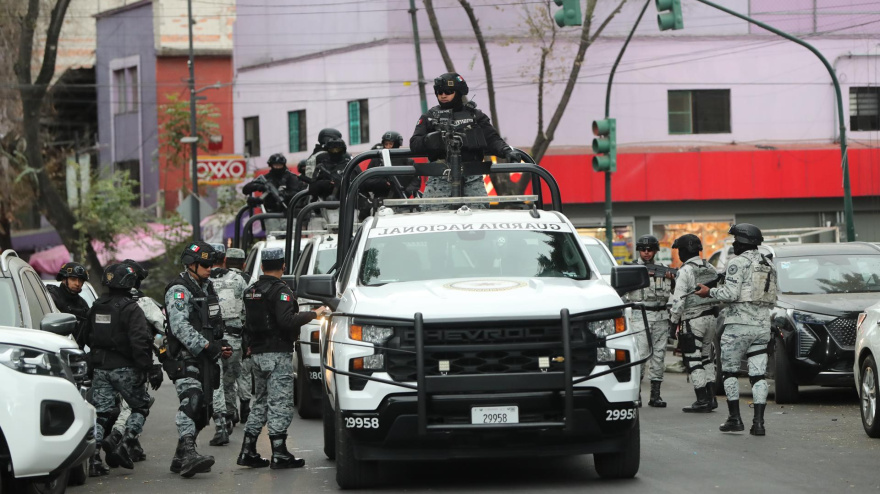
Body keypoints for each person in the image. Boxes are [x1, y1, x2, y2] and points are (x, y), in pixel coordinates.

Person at [237, 248, 324, 470]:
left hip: (257, 354)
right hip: (276, 354)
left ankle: (248, 450)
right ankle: (279, 452)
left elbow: (244, 323)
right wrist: (316, 314)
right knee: (281, 403)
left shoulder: (251, 291)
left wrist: (248, 347)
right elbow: (286, 321)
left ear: (263, 266)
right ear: (283, 266)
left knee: (262, 402)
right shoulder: (280, 292)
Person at [696, 224, 777, 436]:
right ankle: (758, 424)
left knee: (730, 372)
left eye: (736, 240)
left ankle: (735, 418)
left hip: (738, 326)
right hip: (762, 325)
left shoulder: (736, 263)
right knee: (758, 376)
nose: (733, 244)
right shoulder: (769, 263)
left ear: (743, 241)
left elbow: (730, 294)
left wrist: (709, 291)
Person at [81, 263, 160, 476]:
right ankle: (126, 444)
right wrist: (150, 368)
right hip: (125, 369)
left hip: (100, 368)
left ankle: (95, 458)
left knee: (102, 413)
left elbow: (85, 336)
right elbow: (140, 341)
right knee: (141, 406)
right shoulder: (131, 308)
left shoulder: (97, 305)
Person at [164, 242, 233, 477]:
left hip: (206, 358)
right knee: (191, 401)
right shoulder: (179, 290)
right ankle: (189, 455)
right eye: (205, 264)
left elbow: (213, 324)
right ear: (191, 264)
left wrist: (220, 345)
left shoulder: (207, 288)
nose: (209, 268)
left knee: (203, 411)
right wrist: (207, 346)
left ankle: (179, 456)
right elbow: (179, 326)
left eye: (211, 263)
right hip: (185, 357)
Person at [410, 72, 524, 206]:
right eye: (439, 92)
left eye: (448, 91)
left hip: (472, 176)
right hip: (439, 177)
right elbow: (414, 144)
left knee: (477, 219)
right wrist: (431, 141)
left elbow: (492, 139)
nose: (443, 95)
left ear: (458, 92)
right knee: (432, 219)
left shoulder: (475, 116)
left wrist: (506, 151)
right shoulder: (429, 117)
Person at [103, 259, 166, 463]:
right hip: (136, 362)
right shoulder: (143, 302)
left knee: (106, 407)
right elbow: (163, 327)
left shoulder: (104, 303)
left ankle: (126, 446)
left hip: (104, 364)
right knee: (135, 405)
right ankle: (119, 438)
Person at [668, 234, 720, 413]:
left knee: (692, 358)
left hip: (693, 320)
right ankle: (711, 398)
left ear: (683, 251)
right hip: (711, 318)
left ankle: (701, 399)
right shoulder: (711, 267)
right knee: (706, 358)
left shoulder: (685, 271)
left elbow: (678, 301)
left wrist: (673, 323)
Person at [624, 235, 674, 408]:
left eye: (650, 249)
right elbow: (621, 293)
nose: (646, 252)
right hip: (640, 315)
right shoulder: (631, 269)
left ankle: (655, 395)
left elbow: (676, 291)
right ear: (638, 250)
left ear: (655, 251)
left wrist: (672, 278)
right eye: (643, 249)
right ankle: (635, 394)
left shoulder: (665, 270)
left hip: (660, 316)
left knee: (659, 356)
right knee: (640, 356)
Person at [207, 243, 249, 446]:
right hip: (234, 340)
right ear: (224, 259)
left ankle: (221, 423)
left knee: (216, 382)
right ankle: (231, 414)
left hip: (211, 342)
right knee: (229, 381)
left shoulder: (201, 281)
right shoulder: (238, 280)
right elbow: (248, 309)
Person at [242, 153, 305, 233]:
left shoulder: (291, 177)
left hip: (289, 214)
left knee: (291, 239)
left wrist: (283, 195)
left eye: (279, 165)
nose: (277, 168)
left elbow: (296, 193)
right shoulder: (266, 178)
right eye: (275, 165)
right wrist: (260, 187)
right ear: (271, 165)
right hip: (271, 214)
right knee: (273, 239)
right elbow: (246, 189)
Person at [226, 248, 254, 424]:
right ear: (243, 264)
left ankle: (231, 411)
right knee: (244, 372)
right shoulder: (249, 281)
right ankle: (245, 406)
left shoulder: (218, 280)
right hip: (244, 334)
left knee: (228, 376)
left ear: (225, 262)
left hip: (226, 334)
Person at [364, 130, 421, 200]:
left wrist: (407, 192)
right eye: (386, 144)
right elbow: (366, 181)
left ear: (397, 144)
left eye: (390, 144)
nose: (388, 147)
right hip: (381, 201)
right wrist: (382, 183)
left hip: (401, 200)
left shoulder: (407, 161)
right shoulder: (377, 160)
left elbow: (416, 180)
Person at [47, 262, 90, 335]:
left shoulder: (83, 305)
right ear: (64, 279)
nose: (77, 283)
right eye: (73, 279)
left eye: (80, 280)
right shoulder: (51, 298)